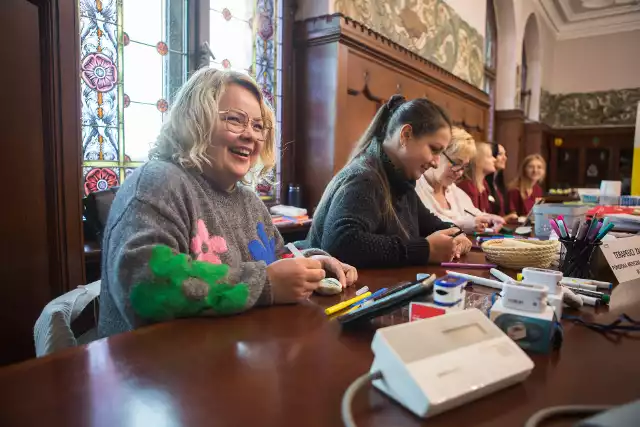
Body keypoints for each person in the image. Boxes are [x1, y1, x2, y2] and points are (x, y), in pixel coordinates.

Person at [98, 68, 357, 337]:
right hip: (148, 368)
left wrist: (312, 263)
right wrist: (265, 284)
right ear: (196, 120)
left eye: (258, 126)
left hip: (226, 355)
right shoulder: (158, 181)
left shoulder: (249, 201)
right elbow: (145, 285)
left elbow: (275, 260)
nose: (251, 135)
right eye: (236, 120)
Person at [306, 95, 472, 269]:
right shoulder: (364, 177)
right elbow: (341, 243)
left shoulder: (400, 179)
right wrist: (424, 250)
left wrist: (455, 233)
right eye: (434, 149)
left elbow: (429, 222)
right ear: (406, 135)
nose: (436, 162)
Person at [416, 127, 504, 233]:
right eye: (456, 163)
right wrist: (462, 226)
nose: (460, 172)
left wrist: (489, 218)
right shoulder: (416, 187)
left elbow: (472, 212)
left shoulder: (453, 190)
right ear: (437, 154)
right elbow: (428, 223)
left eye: (464, 166)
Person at [457, 141, 496, 214]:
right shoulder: (466, 186)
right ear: (477, 160)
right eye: (490, 156)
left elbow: (486, 215)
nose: (494, 159)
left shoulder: (484, 185)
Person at [486, 143, 518, 223]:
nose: (505, 158)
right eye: (500, 154)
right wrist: (505, 219)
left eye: (505, 154)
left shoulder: (498, 183)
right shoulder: (483, 184)